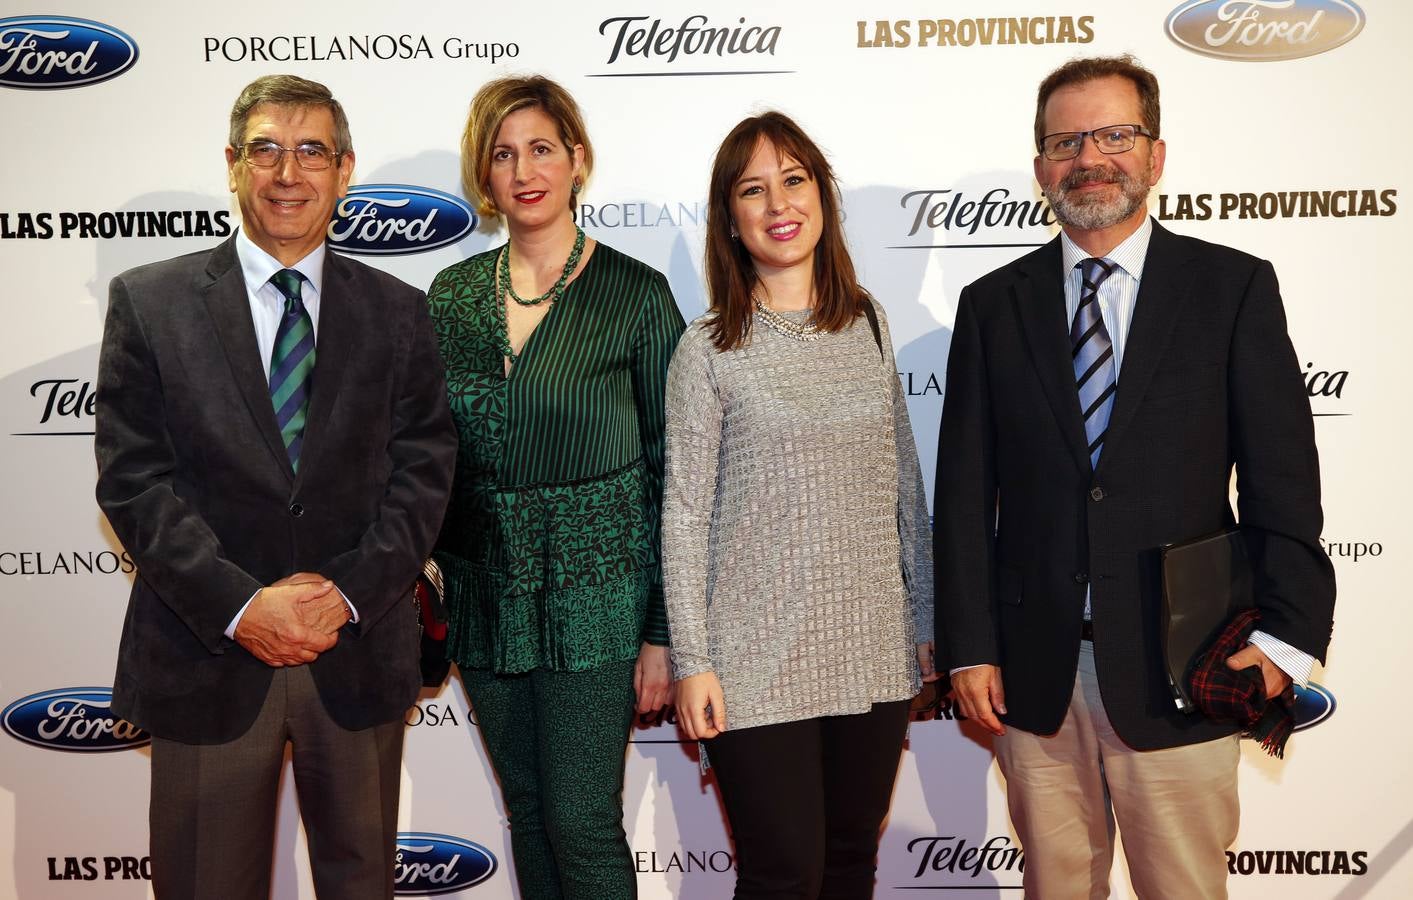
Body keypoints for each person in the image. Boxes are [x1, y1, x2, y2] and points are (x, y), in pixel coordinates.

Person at [934, 55, 1336, 899]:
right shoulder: (990, 304)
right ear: (1041, 166)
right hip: (1037, 675)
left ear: (1155, 155)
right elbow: (966, 496)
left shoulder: (1230, 288)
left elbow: (1282, 481)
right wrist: (968, 645)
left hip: (1185, 665)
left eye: (1115, 135)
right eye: (1066, 140)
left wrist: (1284, 639)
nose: (1090, 157)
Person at [94, 74, 457, 899]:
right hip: (207, 651)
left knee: (361, 885)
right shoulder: (150, 305)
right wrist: (243, 606)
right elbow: (133, 482)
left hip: (355, 654)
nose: (288, 172)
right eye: (266, 149)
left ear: (344, 168)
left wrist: (348, 594)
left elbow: (424, 471)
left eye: (310, 152)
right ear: (232, 164)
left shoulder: (401, 313)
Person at [664, 111, 937, 900]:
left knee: (851, 861)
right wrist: (695, 661)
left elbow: (903, 485)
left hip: (871, 649)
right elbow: (683, 514)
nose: (778, 203)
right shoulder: (708, 346)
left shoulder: (869, 321)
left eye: (794, 180)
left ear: (821, 195)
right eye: (753, 189)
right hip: (751, 658)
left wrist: (920, 622)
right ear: (730, 217)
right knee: (783, 875)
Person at [425, 75, 684, 899]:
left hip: (598, 596)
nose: (523, 169)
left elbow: (673, 471)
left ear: (577, 160)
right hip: (484, 595)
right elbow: (428, 453)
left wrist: (661, 630)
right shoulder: (452, 298)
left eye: (541, 148)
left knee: (580, 820)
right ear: (484, 175)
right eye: (503, 154)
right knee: (529, 813)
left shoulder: (635, 295)